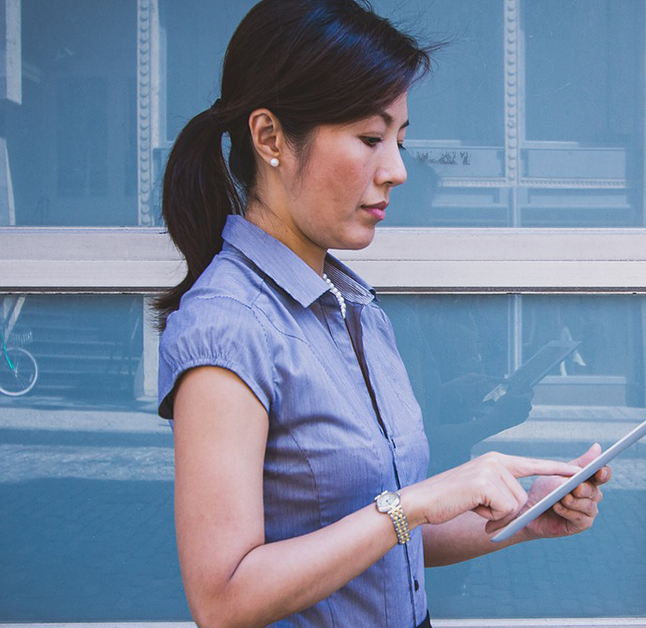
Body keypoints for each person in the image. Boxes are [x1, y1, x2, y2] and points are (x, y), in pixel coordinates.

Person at [153, 1, 610, 627]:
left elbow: (385, 542)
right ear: (270, 138)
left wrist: (528, 515)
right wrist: (416, 502)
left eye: (400, 139)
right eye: (370, 138)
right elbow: (224, 599)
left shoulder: (353, 304)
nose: (396, 170)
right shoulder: (227, 324)